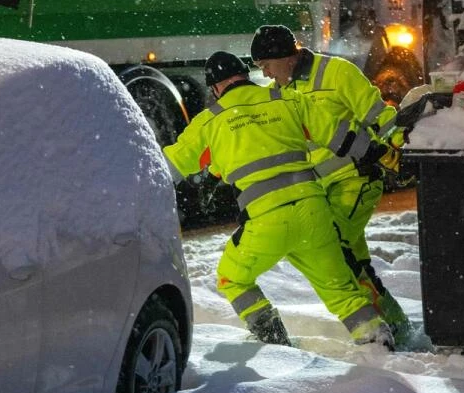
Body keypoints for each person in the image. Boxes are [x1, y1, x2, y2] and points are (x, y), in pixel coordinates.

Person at [164, 51, 394, 349]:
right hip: (314, 213)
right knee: (343, 291)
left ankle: (273, 340)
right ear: (245, 76)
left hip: (265, 222)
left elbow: (168, 168)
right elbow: (341, 135)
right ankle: (377, 340)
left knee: (232, 278)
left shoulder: (210, 122)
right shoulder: (287, 99)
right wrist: (381, 153)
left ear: (215, 88)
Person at [249, 25, 412, 344]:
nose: (266, 74)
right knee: (352, 259)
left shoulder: (336, 73)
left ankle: (382, 328)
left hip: (355, 180)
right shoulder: (281, 92)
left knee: (336, 252)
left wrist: (401, 150)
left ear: (286, 57)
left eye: (267, 65)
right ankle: (394, 324)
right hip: (322, 190)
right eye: (260, 69)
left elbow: (380, 115)